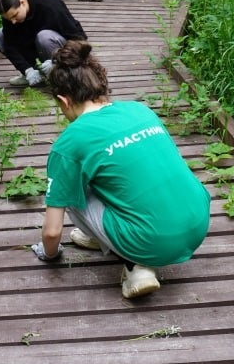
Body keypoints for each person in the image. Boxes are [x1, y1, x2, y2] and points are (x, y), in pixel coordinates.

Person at [30, 40, 210, 298]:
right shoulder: (139, 110)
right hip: (199, 221)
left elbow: (52, 231)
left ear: (63, 100)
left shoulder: (70, 142)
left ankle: (135, 264)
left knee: (67, 187)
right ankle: (105, 237)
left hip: (152, 242)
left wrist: (49, 254)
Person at [0, 0, 87, 88]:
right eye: (9, 19)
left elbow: (79, 40)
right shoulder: (10, 16)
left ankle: (61, 75)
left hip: (60, 53)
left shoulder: (50, 6)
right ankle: (35, 74)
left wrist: (58, 59)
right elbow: (10, 45)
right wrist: (27, 70)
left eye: (15, 15)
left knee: (44, 37)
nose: (13, 22)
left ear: (22, 2)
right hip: (35, 50)